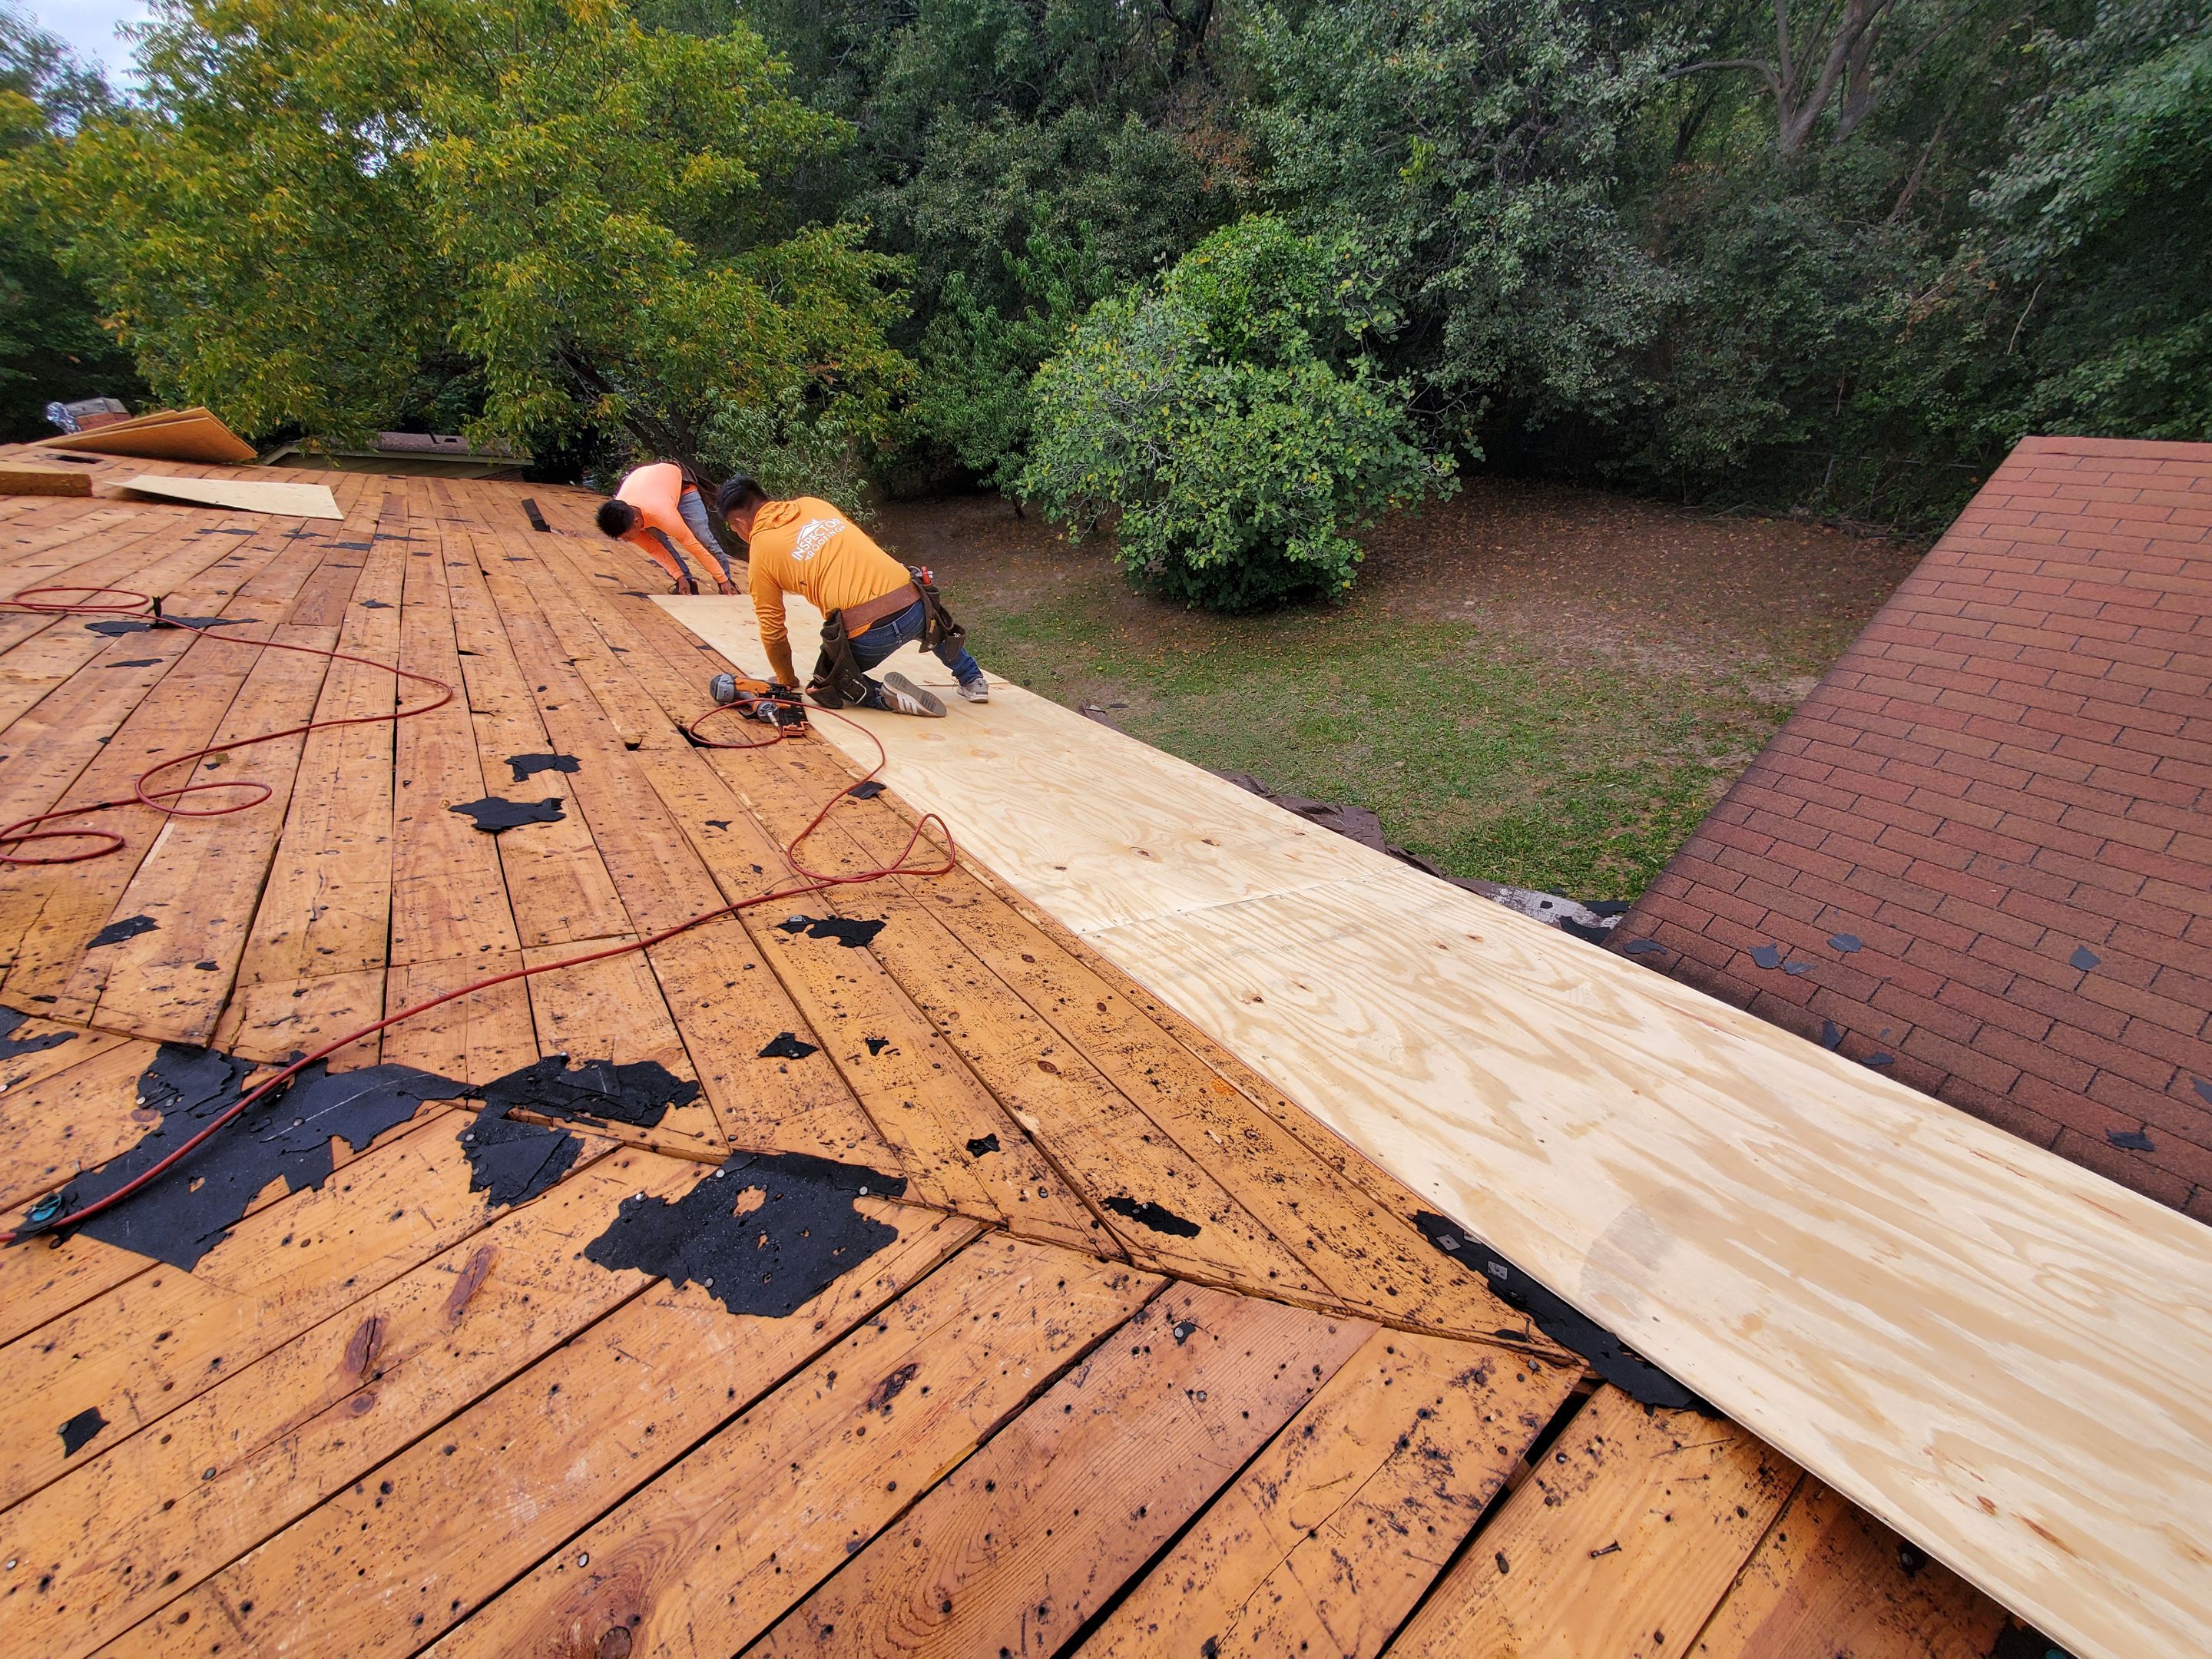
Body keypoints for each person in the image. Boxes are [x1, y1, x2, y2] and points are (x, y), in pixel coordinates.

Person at [717, 475, 988, 717]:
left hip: (869, 636)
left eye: (734, 529)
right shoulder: (813, 505)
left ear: (740, 522)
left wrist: (786, 679)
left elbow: (773, 629)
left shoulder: (762, 550)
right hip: (916, 606)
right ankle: (973, 680)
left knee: (826, 685)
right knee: (934, 621)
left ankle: (885, 696)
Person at [595, 462, 739, 594]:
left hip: (683, 488)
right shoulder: (622, 518)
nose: (626, 541)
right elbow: (654, 549)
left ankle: (727, 582)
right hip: (649, 485)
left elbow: (693, 545)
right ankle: (686, 582)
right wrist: (679, 576)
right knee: (659, 541)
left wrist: (722, 579)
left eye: (626, 537)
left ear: (636, 521)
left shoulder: (661, 514)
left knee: (702, 537)